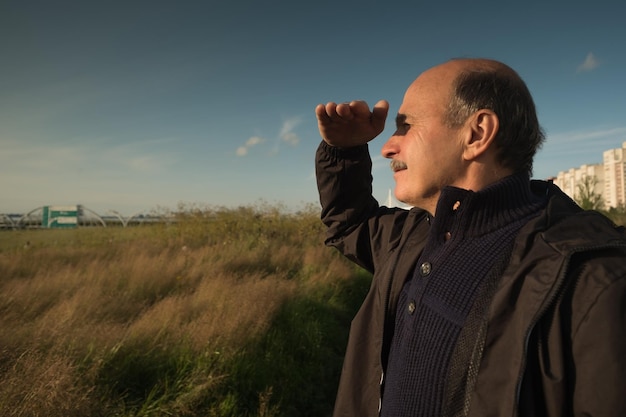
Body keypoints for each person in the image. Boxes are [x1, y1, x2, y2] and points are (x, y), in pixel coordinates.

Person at [314, 58, 626, 417]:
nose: (387, 147)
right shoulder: (415, 236)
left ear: (477, 134)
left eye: (406, 126)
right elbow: (350, 224)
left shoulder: (593, 282)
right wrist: (344, 151)